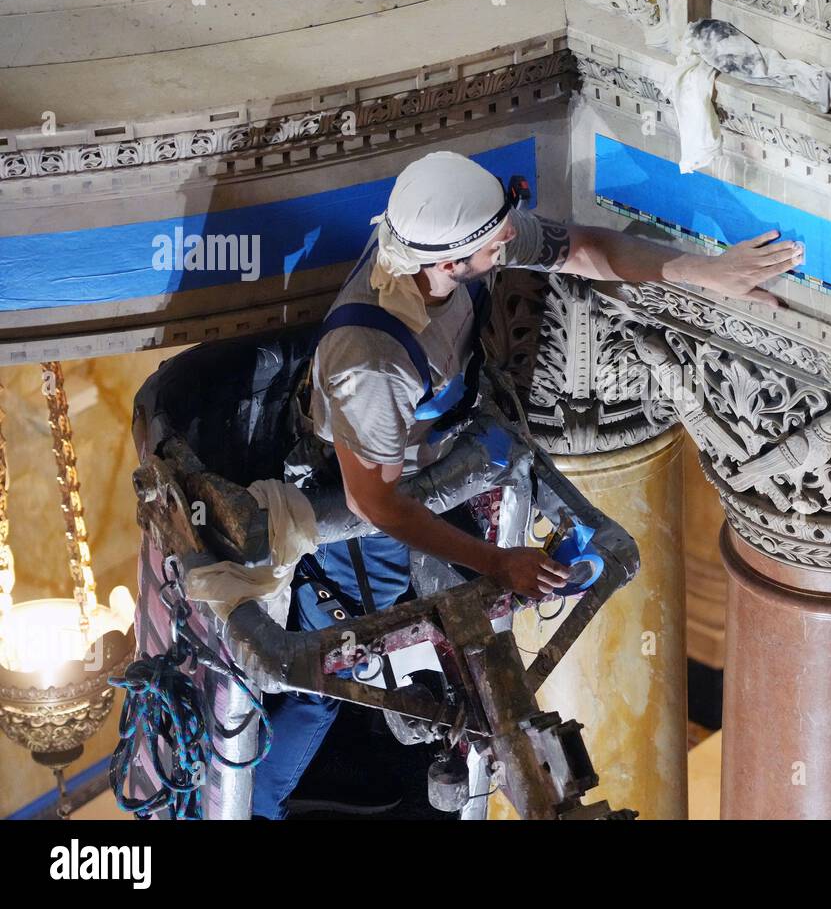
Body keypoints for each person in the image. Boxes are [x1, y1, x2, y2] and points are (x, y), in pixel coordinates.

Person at [251, 150, 801, 818]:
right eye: (496, 239)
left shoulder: (450, 250)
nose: (512, 238)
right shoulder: (371, 359)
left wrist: (706, 273)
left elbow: (585, 250)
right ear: (449, 263)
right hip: (362, 522)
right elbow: (375, 503)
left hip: (440, 463)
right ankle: (257, 802)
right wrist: (497, 562)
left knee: (447, 634)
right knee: (339, 665)